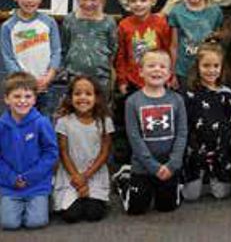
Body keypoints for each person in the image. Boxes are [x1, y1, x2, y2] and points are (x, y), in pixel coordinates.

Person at [118, 50, 187, 215]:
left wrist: (173, 163)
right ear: (140, 71)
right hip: (143, 166)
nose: (157, 70)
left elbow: (182, 133)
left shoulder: (177, 100)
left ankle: (176, 181)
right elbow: (134, 138)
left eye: (163, 66)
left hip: (169, 165)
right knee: (136, 210)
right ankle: (124, 180)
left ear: (169, 74)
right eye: (151, 66)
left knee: (166, 207)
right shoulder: (132, 102)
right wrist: (153, 167)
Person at [115, 0, 171, 165]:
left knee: (154, 122)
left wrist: (169, 76)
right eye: (134, 1)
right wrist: (122, 80)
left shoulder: (161, 23)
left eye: (143, 0)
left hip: (157, 82)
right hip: (133, 82)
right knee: (132, 124)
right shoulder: (124, 25)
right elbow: (121, 55)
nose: (138, 4)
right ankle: (130, 161)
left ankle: (157, 157)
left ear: (153, 1)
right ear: (128, 3)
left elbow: (167, 50)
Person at [0, 72, 58, 230]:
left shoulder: (41, 123)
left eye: (27, 96)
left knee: (36, 222)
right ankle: (19, 205)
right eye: (17, 96)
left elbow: (51, 153)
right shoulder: (1, 125)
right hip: (9, 185)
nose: (22, 101)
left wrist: (29, 177)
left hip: (36, 183)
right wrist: (12, 178)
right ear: (7, 99)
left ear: (34, 99)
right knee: (9, 224)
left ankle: (44, 200)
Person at [53, 75, 114, 223]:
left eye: (88, 94)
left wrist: (85, 177)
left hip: (93, 173)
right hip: (71, 174)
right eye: (77, 94)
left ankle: (91, 196)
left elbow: (105, 152)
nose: (83, 98)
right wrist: (77, 178)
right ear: (70, 98)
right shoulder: (63, 122)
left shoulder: (104, 121)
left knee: (94, 215)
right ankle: (78, 196)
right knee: (71, 216)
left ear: (97, 98)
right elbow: (63, 152)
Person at [1, 0, 61, 118]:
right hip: (21, 90)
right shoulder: (8, 27)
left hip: (46, 86)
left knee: (45, 122)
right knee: (21, 123)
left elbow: (56, 51)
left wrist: (49, 76)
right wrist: (26, 81)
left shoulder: (49, 22)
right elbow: (8, 58)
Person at [182, 43, 231, 201]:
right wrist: (192, 148)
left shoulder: (227, 93)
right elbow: (186, 123)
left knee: (222, 195)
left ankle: (215, 175)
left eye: (216, 66)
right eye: (206, 65)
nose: (211, 70)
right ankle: (194, 176)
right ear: (197, 66)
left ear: (222, 67)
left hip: (219, 151)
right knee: (190, 196)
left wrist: (225, 147)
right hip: (195, 150)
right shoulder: (189, 94)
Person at [61, 0, 117, 96]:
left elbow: (113, 49)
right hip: (74, 76)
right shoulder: (70, 20)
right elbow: (65, 47)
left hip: (101, 78)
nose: (88, 3)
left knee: (101, 112)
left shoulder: (108, 22)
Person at [169, 0, 223, 89]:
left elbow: (218, 44)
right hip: (184, 70)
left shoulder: (215, 11)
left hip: (208, 71)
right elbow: (174, 46)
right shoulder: (176, 12)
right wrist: (172, 73)